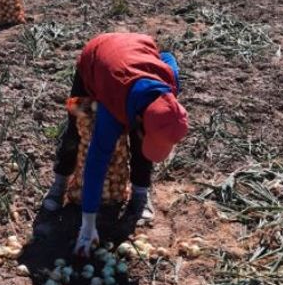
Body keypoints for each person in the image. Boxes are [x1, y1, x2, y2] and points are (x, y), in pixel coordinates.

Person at [42, 33, 188, 257]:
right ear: (139, 119)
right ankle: (60, 182)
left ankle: (140, 192)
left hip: (133, 51)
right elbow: (96, 163)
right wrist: (88, 225)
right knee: (75, 131)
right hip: (96, 58)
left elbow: (167, 57)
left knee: (142, 143)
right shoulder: (112, 109)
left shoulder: (169, 86)